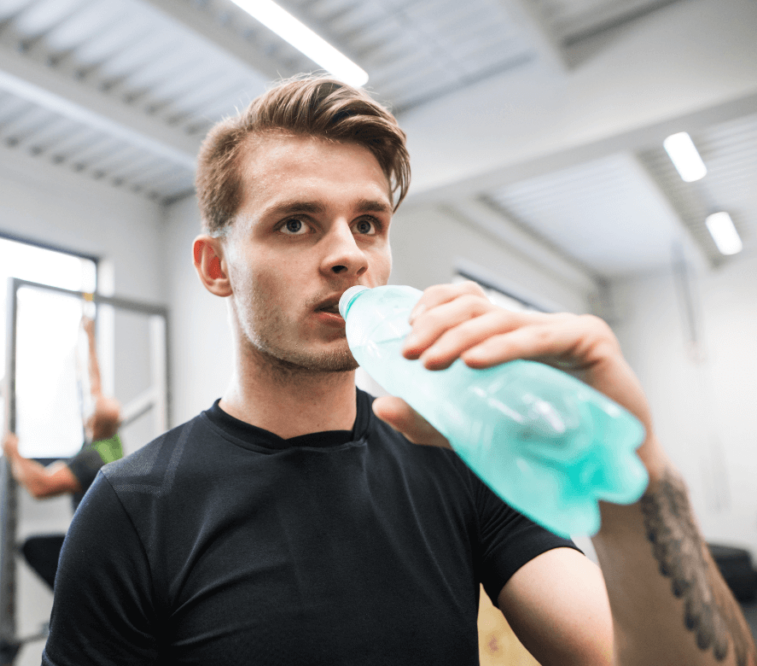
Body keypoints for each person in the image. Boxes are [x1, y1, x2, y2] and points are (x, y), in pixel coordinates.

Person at [42, 76, 756, 665]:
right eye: (296, 222)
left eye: (369, 223)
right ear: (215, 267)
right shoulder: (133, 508)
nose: (348, 253)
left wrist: (629, 468)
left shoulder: (454, 458)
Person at [3, 314, 124, 589]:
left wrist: (13, 452)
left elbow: (40, 486)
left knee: (33, 548)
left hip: (101, 558)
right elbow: (96, 384)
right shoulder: (113, 441)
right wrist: (90, 338)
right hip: (115, 552)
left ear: (90, 423)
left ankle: (78, 608)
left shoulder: (93, 460)